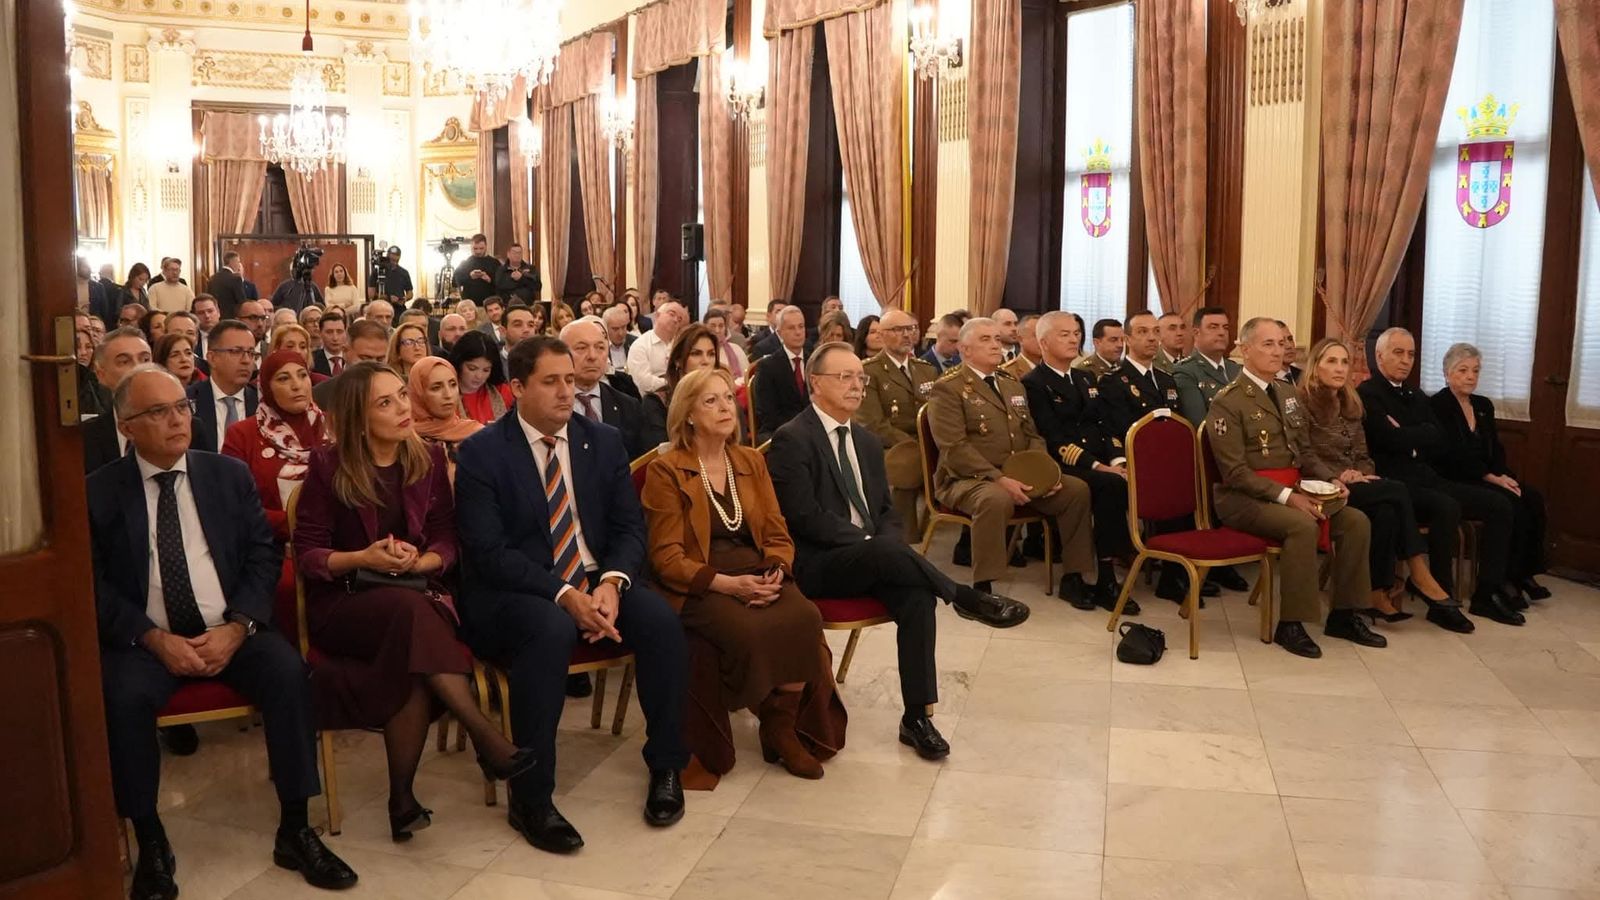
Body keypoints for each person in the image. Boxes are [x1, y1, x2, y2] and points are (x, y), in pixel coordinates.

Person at [88, 365, 358, 897]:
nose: (176, 421)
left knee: (289, 674)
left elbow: (263, 556)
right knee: (119, 697)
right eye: (157, 412)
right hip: (148, 640)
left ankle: (295, 827)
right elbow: (93, 585)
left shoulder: (224, 476)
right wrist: (151, 637)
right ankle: (151, 839)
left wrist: (239, 626)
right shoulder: (98, 492)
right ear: (126, 426)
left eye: (181, 407)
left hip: (233, 628)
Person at [455, 336, 690, 851]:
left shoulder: (600, 440)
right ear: (516, 388)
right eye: (551, 382)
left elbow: (630, 530)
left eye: (569, 379)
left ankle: (668, 766)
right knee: (548, 630)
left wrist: (611, 582)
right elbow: (488, 552)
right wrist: (565, 593)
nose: (567, 391)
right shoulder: (481, 452)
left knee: (660, 621)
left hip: (595, 578)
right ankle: (531, 797)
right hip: (514, 590)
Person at [293, 362, 535, 842]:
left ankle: (401, 801)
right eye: (385, 403)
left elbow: (447, 537)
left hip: (415, 592)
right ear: (359, 419)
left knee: (415, 663)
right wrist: (365, 556)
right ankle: (484, 736)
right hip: (346, 602)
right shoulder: (328, 466)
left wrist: (423, 562)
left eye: (403, 395)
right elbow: (308, 555)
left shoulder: (426, 457)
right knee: (412, 616)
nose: (403, 408)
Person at [769, 344, 1029, 759]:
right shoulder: (792, 439)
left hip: (873, 556)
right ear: (816, 384)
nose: (856, 386)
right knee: (887, 554)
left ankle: (916, 717)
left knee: (917, 595)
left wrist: (882, 543)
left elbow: (887, 511)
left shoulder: (868, 442)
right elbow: (804, 517)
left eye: (860, 378)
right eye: (845, 378)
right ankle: (963, 596)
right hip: (818, 562)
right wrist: (873, 545)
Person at [641, 366, 843, 781]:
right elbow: (665, 556)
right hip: (700, 580)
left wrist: (776, 570)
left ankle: (781, 728)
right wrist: (727, 585)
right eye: (710, 401)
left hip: (757, 570)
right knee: (749, 631)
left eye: (727, 398)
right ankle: (770, 716)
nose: (724, 408)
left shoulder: (750, 461)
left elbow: (776, 529)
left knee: (804, 617)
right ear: (689, 414)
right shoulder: (667, 470)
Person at [1206, 318, 1383, 657]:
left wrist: (1330, 479)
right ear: (1246, 351)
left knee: (1356, 521)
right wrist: (1289, 497)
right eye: (1268, 344)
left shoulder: (1288, 393)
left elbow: (1302, 452)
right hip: (1243, 498)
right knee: (1301, 524)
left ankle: (1344, 615)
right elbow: (1236, 473)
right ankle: (1292, 623)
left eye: (1281, 343)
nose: (1279, 351)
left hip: (1293, 487)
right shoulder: (1227, 401)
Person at [1300, 338, 1470, 631]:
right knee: (1396, 490)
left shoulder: (1350, 400)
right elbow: (1304, 453)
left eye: (1344, 362)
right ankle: (1418, 572)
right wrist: (1339, 475)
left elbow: (1363, 452)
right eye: (1331, 361)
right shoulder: (1303, 401)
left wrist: (1362, 472)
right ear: (1315, 367)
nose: (1340, 368)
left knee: (1389, 510)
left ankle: (1377, 592)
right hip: (1320, 485)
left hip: (1355, 481)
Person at [1359, 328, 1525, 625]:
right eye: (1398, 353)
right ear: (1379, 355)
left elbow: (1438, 439)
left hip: (1427, 475)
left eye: (1411, 354)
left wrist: (1407, 435)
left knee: (1500, 505)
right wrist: (1414, 436)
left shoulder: (1415, 393)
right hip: (1395, 481)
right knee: (1445, 506)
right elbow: (1387, 439)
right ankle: (1440, 598)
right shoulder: (1369, 393)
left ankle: (1487, 593)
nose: (1406, 360)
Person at [928, 318, 1101, 601]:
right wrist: (999, 479)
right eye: (985, 339)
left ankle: (1074, 576)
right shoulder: (949, 387)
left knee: (1076, 490)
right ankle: (984, 587)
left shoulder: (1011, 384)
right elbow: (954, 448)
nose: (995, 344)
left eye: (997, 338)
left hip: (1019, 475)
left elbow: (1032, 434)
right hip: (968, 478)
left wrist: (1045, 475)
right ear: (964, 348)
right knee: (995, 499)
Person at [1022, 311, 1138, 614]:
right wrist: (1100, 467)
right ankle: (1105, 576)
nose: (1074, 339)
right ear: (1043, 342)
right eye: (1065, 334)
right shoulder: (1034, 383)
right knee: (1110, 484)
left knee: (1122, 479)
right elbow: (1054, 439)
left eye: (1076, 333)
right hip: (1062, 463)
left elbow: (1104, 425)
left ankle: (1118, 565)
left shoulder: (1085, 378)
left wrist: (1115, 458)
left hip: (1097, 460)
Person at [1430, 342, 1549, 604]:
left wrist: (1503, 475)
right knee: (1509, 503)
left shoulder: (1483, 405)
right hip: (1457, 478)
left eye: (1475, 370)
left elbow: (1495, 448)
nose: (1470, 376)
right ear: (1447, 373)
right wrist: (1491, 477)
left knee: (1532, 497)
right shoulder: (1438, 405)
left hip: (1487, 475)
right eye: (1462, 370)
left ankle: (1525, 574)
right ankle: (1504, 580)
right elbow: (1451, 454)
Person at [858, 309, 937, 541]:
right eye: (898, 330)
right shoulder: (869, 371)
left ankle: (967, 537)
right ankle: (903, 536)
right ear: (882, 336)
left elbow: (940, 412)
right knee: (907, 465)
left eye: (911, 329)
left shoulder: (926, 369)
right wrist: (915, 445)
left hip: (928, 442)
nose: (906, 335)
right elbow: (872, 424)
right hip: (889, 445)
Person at [561, 319, 647, 459]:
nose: (592, 356)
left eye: (600, 348)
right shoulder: (546, 405)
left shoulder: (629, 407)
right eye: (581, 348)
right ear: (561, 353)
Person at [640, 323, 728, 450]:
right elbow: (660, 454)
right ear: (678, 360)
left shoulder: (725, 399)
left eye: (711, 354)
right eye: (696, 354)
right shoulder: (656, 403)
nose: (706, 361)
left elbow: (736, 444)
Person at [82, 328, 153, 471]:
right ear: (101, 374)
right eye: (124, 362)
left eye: (145, 359)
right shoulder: (86, 436)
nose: (138, 367)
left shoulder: (187, 427)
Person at [188, 320, 260, 453]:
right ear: (212, 358)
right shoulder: (189, 401)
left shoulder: (262, 403)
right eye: (236, 351)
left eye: (251, 353)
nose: (246, 360)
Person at [748, 305, 816, 442]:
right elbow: (767, 414)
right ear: (780, 333)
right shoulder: (768, 367)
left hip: (813, 429)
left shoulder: (815, 362)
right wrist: (800, 429)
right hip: (779, 431)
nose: (798, 332)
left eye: (801, 327)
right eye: (791, 328)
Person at [408, 355, 483, 469]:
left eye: (453, 385)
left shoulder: (478, 434)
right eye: (436, 388)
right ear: (419, 393)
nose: (448, 395)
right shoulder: (406, 441)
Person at [312, 318, 390, 412]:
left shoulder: (398, 392)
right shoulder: (322, 395)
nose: (374, 365)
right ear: (345, 352)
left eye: (380, 359)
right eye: (365, 358)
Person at [451, 330, 515, 424]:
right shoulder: (445, 395)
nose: (479, 376)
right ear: (459, 363)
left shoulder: (502, 392)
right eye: (472, 368)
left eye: (486, 370)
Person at [627, 300, 688, 394]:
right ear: (657, 315)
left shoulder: (681, 346)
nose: (675, 320)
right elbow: (644, 383)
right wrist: (674, 383)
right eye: (672, 314)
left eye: (679, 319)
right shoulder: (641, 345)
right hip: (650, 402)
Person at [702, 306, 751, 398]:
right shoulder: (701, 352)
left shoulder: (736, 349)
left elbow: (747, 376)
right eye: (713, 326)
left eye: (721, 326)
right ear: (705, 327)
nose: (717, 330)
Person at [453, 233, 501, 305]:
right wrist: (469, 276)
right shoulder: (465, 263)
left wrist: (490, 279)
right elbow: (454, 282)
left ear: (486, 246)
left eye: (481, 248)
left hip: (490, 305)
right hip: (470, 306)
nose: (478, 251)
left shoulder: (495, 263)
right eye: (475, 248)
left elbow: (502, 283)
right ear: (471, 247)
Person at [999, 313, 1041, 380]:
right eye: (1037, 335)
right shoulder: (1007, 372)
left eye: (1045, 335)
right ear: (1020, 339)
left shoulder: (1055, 368)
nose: (1042, 340)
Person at [209, 251, 249, 319]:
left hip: (215, 317)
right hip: (232, 318)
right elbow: (242, 302)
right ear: (232, 262)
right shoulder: (236, 279)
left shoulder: (213, 278)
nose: (239, 265)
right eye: (238, 262)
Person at [312, 311, 348, 377]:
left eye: (339, 332)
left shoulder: (354, 359)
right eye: (329, 332)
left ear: (345, 333)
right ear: (320, 333)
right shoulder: (312, 361)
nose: (335, 338)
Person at [603, 304, 638, 373]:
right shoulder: (600, 346)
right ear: (605, 328)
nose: (620, 333)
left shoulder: (635, 343)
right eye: (615, 329)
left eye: (623, 327)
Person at [190, 294, 220, 358]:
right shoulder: (191, 339)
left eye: (210, 311)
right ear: (194, 316)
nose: (207, 316)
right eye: (201, 313)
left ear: (218, 312)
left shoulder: (229, 336)